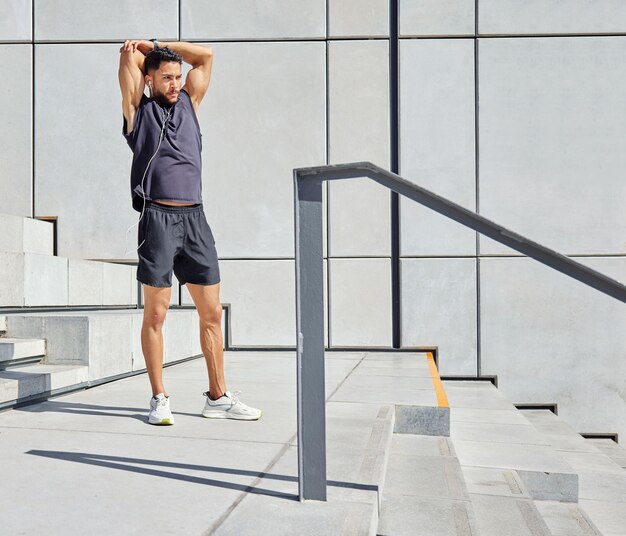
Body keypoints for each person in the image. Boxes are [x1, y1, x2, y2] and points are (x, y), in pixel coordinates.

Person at [118, 39, 262, 425]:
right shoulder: (138, 110)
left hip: (195, 219)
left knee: (212, 312)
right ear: (148, 80)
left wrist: (157, 44)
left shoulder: (190, 104)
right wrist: (139, 51)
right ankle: (159, 397)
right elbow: (129, 57)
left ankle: (217, 397)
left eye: (178, 77)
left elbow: (207, 55)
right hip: (158, 219)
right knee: (158, 313)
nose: (175, 84)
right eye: (166, 78)